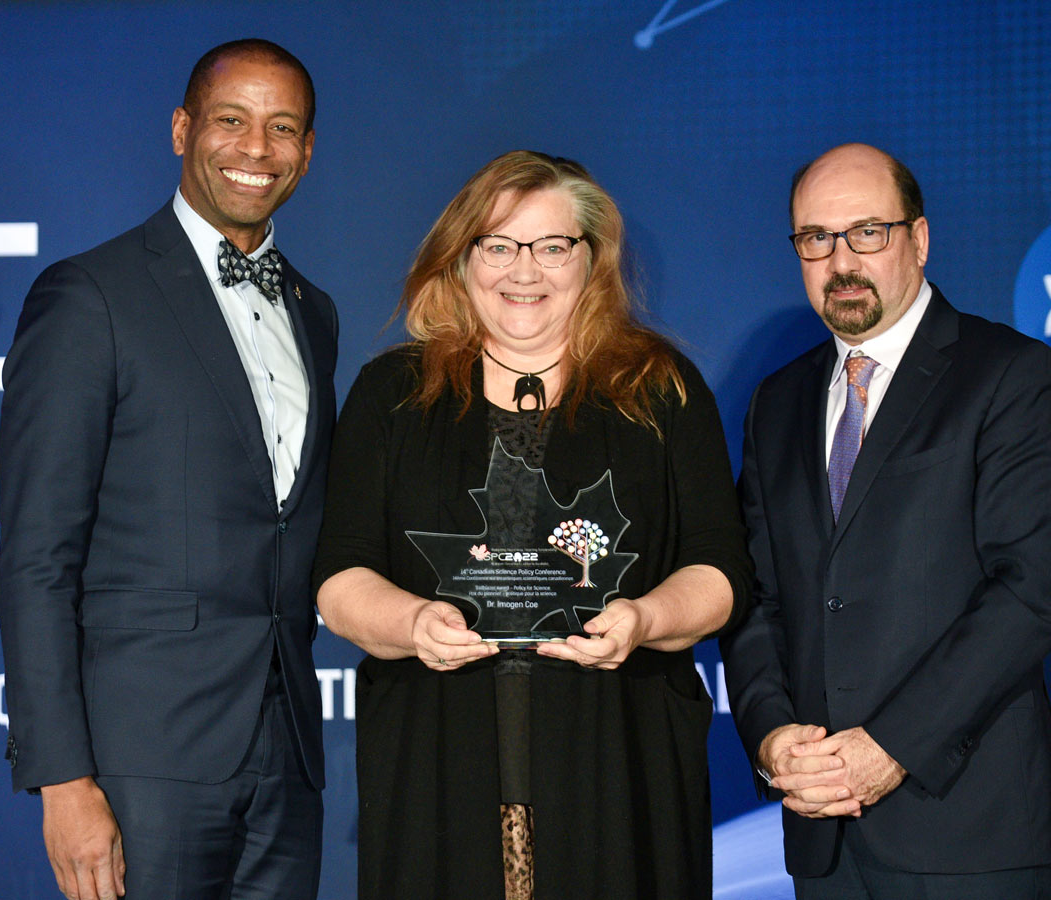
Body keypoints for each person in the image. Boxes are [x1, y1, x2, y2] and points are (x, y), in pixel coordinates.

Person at [313, 150, 752, 900]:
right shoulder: (392, 394)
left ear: (592, 261)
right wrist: (414, 621)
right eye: (499, 245)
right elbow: (340, 575)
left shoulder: (660, 390)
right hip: (437, 763)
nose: (526, 271)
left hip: (620, 763)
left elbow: (718, 570)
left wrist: (644, 617)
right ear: (461, 257)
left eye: (552, 247)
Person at [0, 39, 337, 900]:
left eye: (282, 127)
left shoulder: (315, 310)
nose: (256, 149)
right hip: (138, 762)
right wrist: (62, 779)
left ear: (307, 150)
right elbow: (39, 557)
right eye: (231, 120)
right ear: (183, 129)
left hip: (287, 753)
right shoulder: (90, 296)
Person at [722, 142, 1051, 899]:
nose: (840, 259)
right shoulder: (776, 403)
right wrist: (773, 739)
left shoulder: (1008, 374)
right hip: (823, 830)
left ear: (918, 239)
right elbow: (756, 596)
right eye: (816, 238)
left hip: (970, 827)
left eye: (867, 232)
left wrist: (891, 748)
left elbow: (1030, 592)